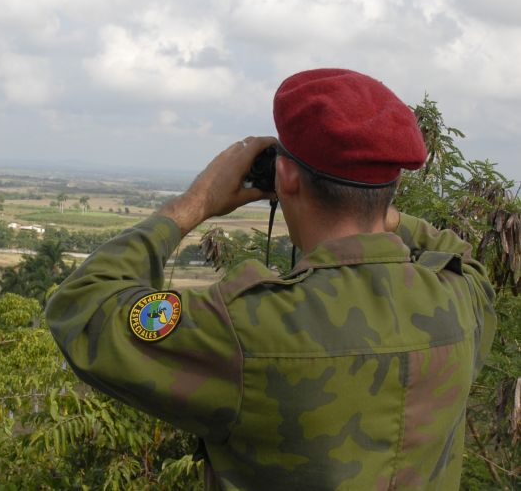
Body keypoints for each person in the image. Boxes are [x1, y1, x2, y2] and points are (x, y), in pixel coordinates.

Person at [45, 68, 497, 490]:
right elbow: (461, 257)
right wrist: (374, 207)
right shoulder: (462, 302)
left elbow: (84, 308)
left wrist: (195, 203)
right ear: (391, 185)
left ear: (284, 174)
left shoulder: (247, 329)